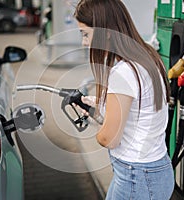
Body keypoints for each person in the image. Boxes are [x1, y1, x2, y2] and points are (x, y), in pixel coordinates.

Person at [74, 0, 174, 199]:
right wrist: (101, 107)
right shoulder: (147, 56)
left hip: (137, 177)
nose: (84, 42)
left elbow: (109, 139)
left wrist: (100, 131)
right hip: (151, 171)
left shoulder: (123, 72)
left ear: (107, 32)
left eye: (86, 34)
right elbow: (138, 115)